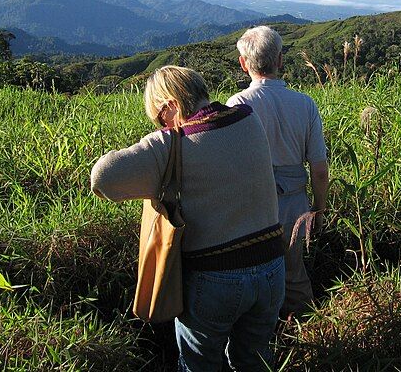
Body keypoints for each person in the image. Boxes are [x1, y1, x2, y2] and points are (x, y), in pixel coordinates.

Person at [91, 65, 285, 371]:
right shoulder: (249, 117)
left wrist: (161, 138)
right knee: (254, 361)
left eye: (158, 117)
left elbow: (102, 178)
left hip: (216, 278)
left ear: (171, 105)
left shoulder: (173, 143)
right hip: (273, 269)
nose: (160, 123)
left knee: (199, 365)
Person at [227, 26, 329, 317]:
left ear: (244, 63)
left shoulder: (239, 104)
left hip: (254, 206)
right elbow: (319, 170)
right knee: (295, 277)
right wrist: (318, 213)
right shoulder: (305, 104)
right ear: (280, 60)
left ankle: (261, 342)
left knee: (254, 278)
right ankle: (309, 338)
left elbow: (233, 167)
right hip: (295, 207)